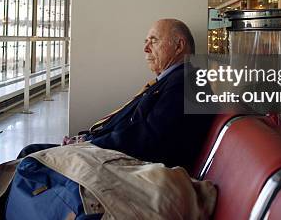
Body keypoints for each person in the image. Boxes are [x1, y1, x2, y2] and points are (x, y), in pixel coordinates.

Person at [17, 18, 213, 171]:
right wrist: (87, 139)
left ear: (179, 46)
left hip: (126, 166)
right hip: (113, 153)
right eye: (146, 41)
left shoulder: (188, 82)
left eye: (154, 41)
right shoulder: (175, 79)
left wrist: (91, 145)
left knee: (30, 156)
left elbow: (148, 139)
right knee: (31, 154)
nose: (145, 48)